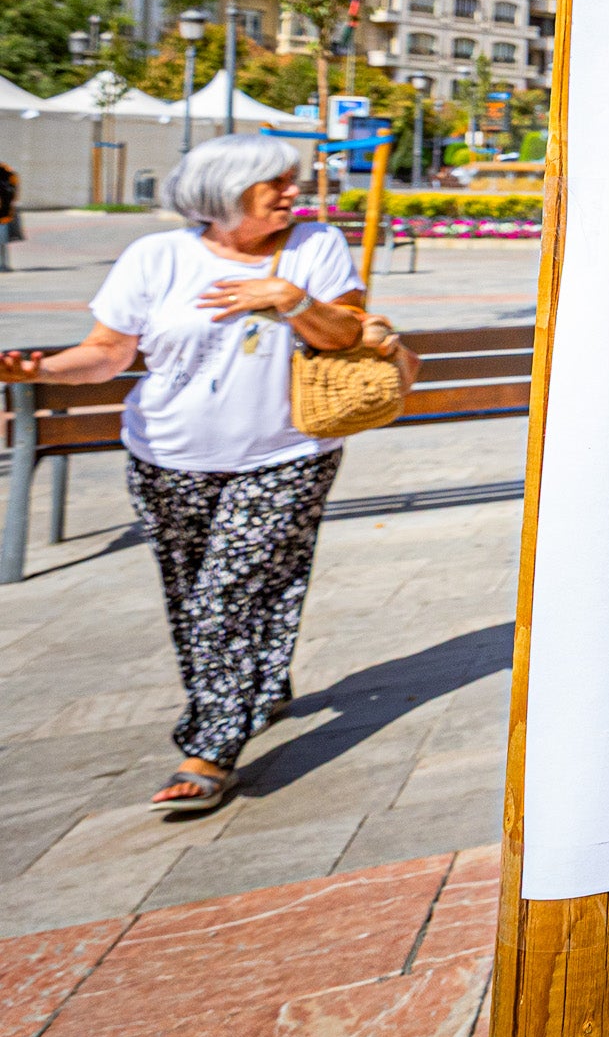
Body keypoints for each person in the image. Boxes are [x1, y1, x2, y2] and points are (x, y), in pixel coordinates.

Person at [0, 135, 376, 815]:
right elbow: (107, 355)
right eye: (276, 185)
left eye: (292, 182)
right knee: (193, 594)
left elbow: (346, 336)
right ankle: (257, 685)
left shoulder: (313, 246)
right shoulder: (156, 257)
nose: (294, 194)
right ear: (224, 192)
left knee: (225, 595)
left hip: (284, 455)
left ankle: (209, 749)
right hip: (165, 456)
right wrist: (39, 369)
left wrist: (289, 299)